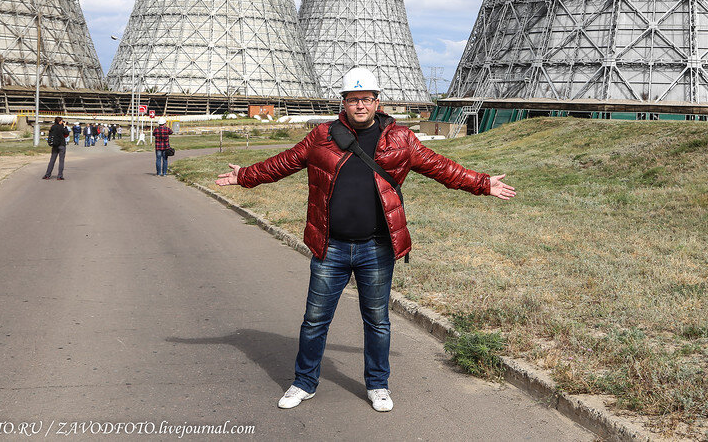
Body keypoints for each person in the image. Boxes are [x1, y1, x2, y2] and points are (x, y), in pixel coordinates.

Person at [215, 67, 516, 413]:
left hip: (377, 247)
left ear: (377, 102)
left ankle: (378, 384)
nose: (360, 105)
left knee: (377, 320)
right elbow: (284, 163)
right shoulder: (322, 136)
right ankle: (303, 382)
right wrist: (245, 177)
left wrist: (482, 183)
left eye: (366, 99)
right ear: (343, 103)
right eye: (353, 99)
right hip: (331, 247)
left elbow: (440, 167)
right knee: (315, 319)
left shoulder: (400, 138)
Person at [42, 116, 69, 180]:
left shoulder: (53, 127)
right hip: (61, 145)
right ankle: (59, 176)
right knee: (61, 161)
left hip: (54, 145)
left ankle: (47, 175)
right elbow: (66, 133)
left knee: (52, 160)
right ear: (60, 121)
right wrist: (65, 126)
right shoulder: (61, 127)